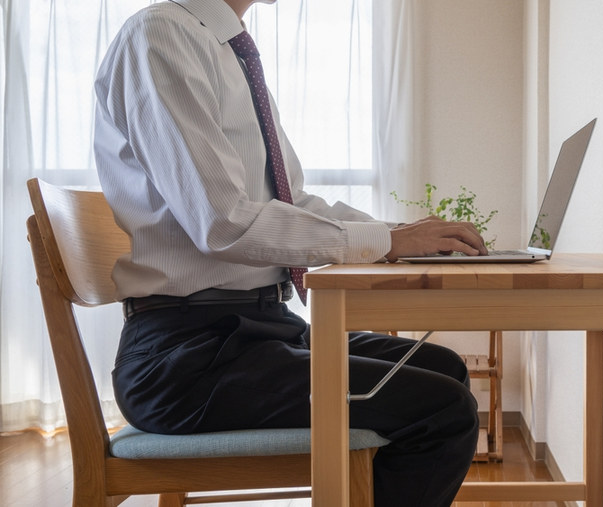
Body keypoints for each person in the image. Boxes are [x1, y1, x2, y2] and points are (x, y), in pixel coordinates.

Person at [92, 0, 488, 505]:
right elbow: (223, 221)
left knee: (442, 369)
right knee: (441, 408)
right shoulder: (160, 37)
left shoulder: (225, 48)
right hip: (188, 359)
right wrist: (388, 243)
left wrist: (397, 234)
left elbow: (287, 201)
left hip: (255, 332)